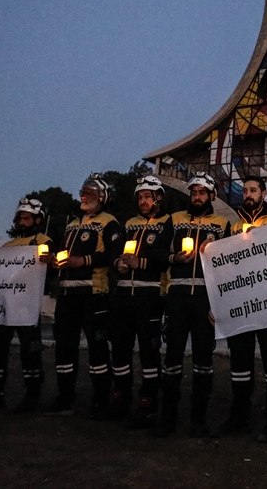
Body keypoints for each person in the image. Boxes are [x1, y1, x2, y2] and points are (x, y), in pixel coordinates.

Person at [155, 172, 231, 437]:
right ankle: (167, 419)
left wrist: (219, 304)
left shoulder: (222, 224)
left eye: (202, 192)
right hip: (177, 296)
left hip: (205, 299)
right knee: (172, 359)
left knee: (203, 361)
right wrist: (176, 257)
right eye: (194, 192)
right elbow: (157, 253)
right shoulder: (174, 219)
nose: (197, 197)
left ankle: (198, 420)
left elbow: (229, 266)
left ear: (212, 195)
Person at [0, 198, 53, 413]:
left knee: (30, 350)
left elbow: (48, 272)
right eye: (19, 218)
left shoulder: (44, 241)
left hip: (27, 305)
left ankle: (32, 395)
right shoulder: (6, 246)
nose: (22, 222)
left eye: (26, 218)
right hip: (4, 304)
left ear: (38, 219)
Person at [47, 174, 123, 417]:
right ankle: (65, 397)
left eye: (89, 192)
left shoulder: (109, 222)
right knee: (64, 348)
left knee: (98, 349)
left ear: (102, 196)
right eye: (82, 190)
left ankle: (102, 400)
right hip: (67, 294)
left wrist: (84, 260)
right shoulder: (72, 224)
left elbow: (113, 255)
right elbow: (62, 252)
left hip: (94, 294)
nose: (83, 195)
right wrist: (53, 260)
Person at [220, 176, 267, 440]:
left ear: (264, 194)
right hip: (240, 305)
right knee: (239, 364)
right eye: (245, 190)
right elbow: (222, 268)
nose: (247, 194)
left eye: (253, 190)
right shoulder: (234, 226)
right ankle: (239, 417)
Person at [107, 176, 171, 427]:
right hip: (123, 294)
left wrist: (140, 263)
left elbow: (165, 255)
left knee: (149, 352)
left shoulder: (168, 223)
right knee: (120, 350)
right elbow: (114, 251)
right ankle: (120, 398)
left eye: (148, 196)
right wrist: (118, 263)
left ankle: (148, 402)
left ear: (158, 198)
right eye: (140, 197)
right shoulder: (129, 223)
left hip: (150, 295)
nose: (143, 201)